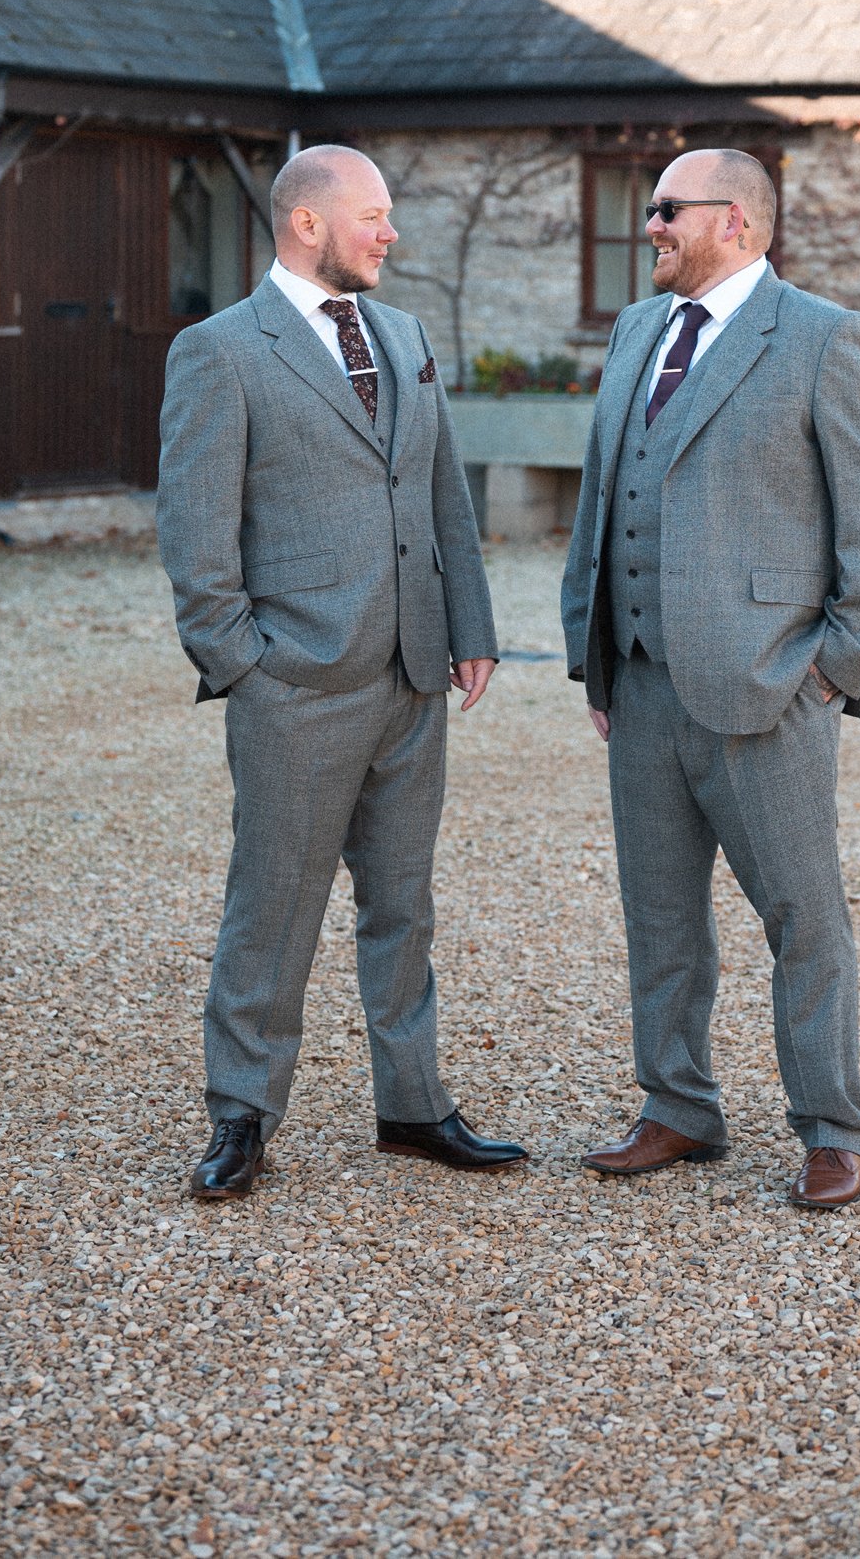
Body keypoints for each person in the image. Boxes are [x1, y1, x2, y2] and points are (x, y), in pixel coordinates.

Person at [157, 143, 525, 1199]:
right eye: (372, 214)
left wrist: (471, 625)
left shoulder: (401, 333)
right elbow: (194, 533)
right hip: (295, 687)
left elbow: (440, 489)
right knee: (272, 906)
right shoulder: (220, 351)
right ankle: (242, 1116)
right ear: (307, 223)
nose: (389, 231)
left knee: (402, 906)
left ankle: (412, 1106)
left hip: (413, 674)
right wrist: (244, 665)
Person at [562, 148, 860, 1210]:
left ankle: (831, 1125)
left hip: (769, 688)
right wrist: (592, 649)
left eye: (666, 210)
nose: (651, 226)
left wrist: (832, 669)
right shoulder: (635, 330)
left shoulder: (822, 339)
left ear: (737, 224)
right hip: (640, 684)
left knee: (802, 916)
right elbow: (598, 495)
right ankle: (676, 1106)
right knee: (658, 915)